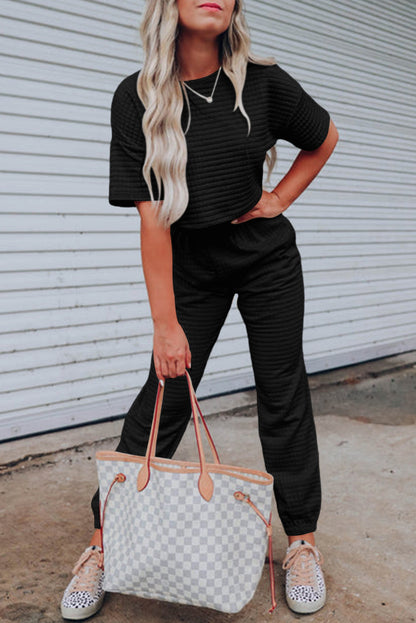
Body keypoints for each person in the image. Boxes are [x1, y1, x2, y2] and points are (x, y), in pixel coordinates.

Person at [60, 0, 339, 619]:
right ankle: (104, 542)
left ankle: (300, 543)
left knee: (282, 390)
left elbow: (324, 138)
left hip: (266, 260)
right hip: (193, 264)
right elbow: (152, 219)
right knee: (166, 392)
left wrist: (277, 200)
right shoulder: (136, 97)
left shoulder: (263, 81)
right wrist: (166, 324)